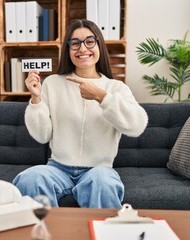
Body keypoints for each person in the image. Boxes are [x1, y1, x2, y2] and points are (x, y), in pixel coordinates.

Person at [13, 19, 148, 208]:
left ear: (99, 45)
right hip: (58, 168)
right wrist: (36, 100)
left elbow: (137, 126)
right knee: (31, 178)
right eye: (75, 43)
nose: (82, 49)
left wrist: (102, 97)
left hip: (98, 169)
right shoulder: (52, 83)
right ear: (68, 50)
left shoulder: (115, 88)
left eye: (90, 41)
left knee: (102, 181)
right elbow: (42, 136)